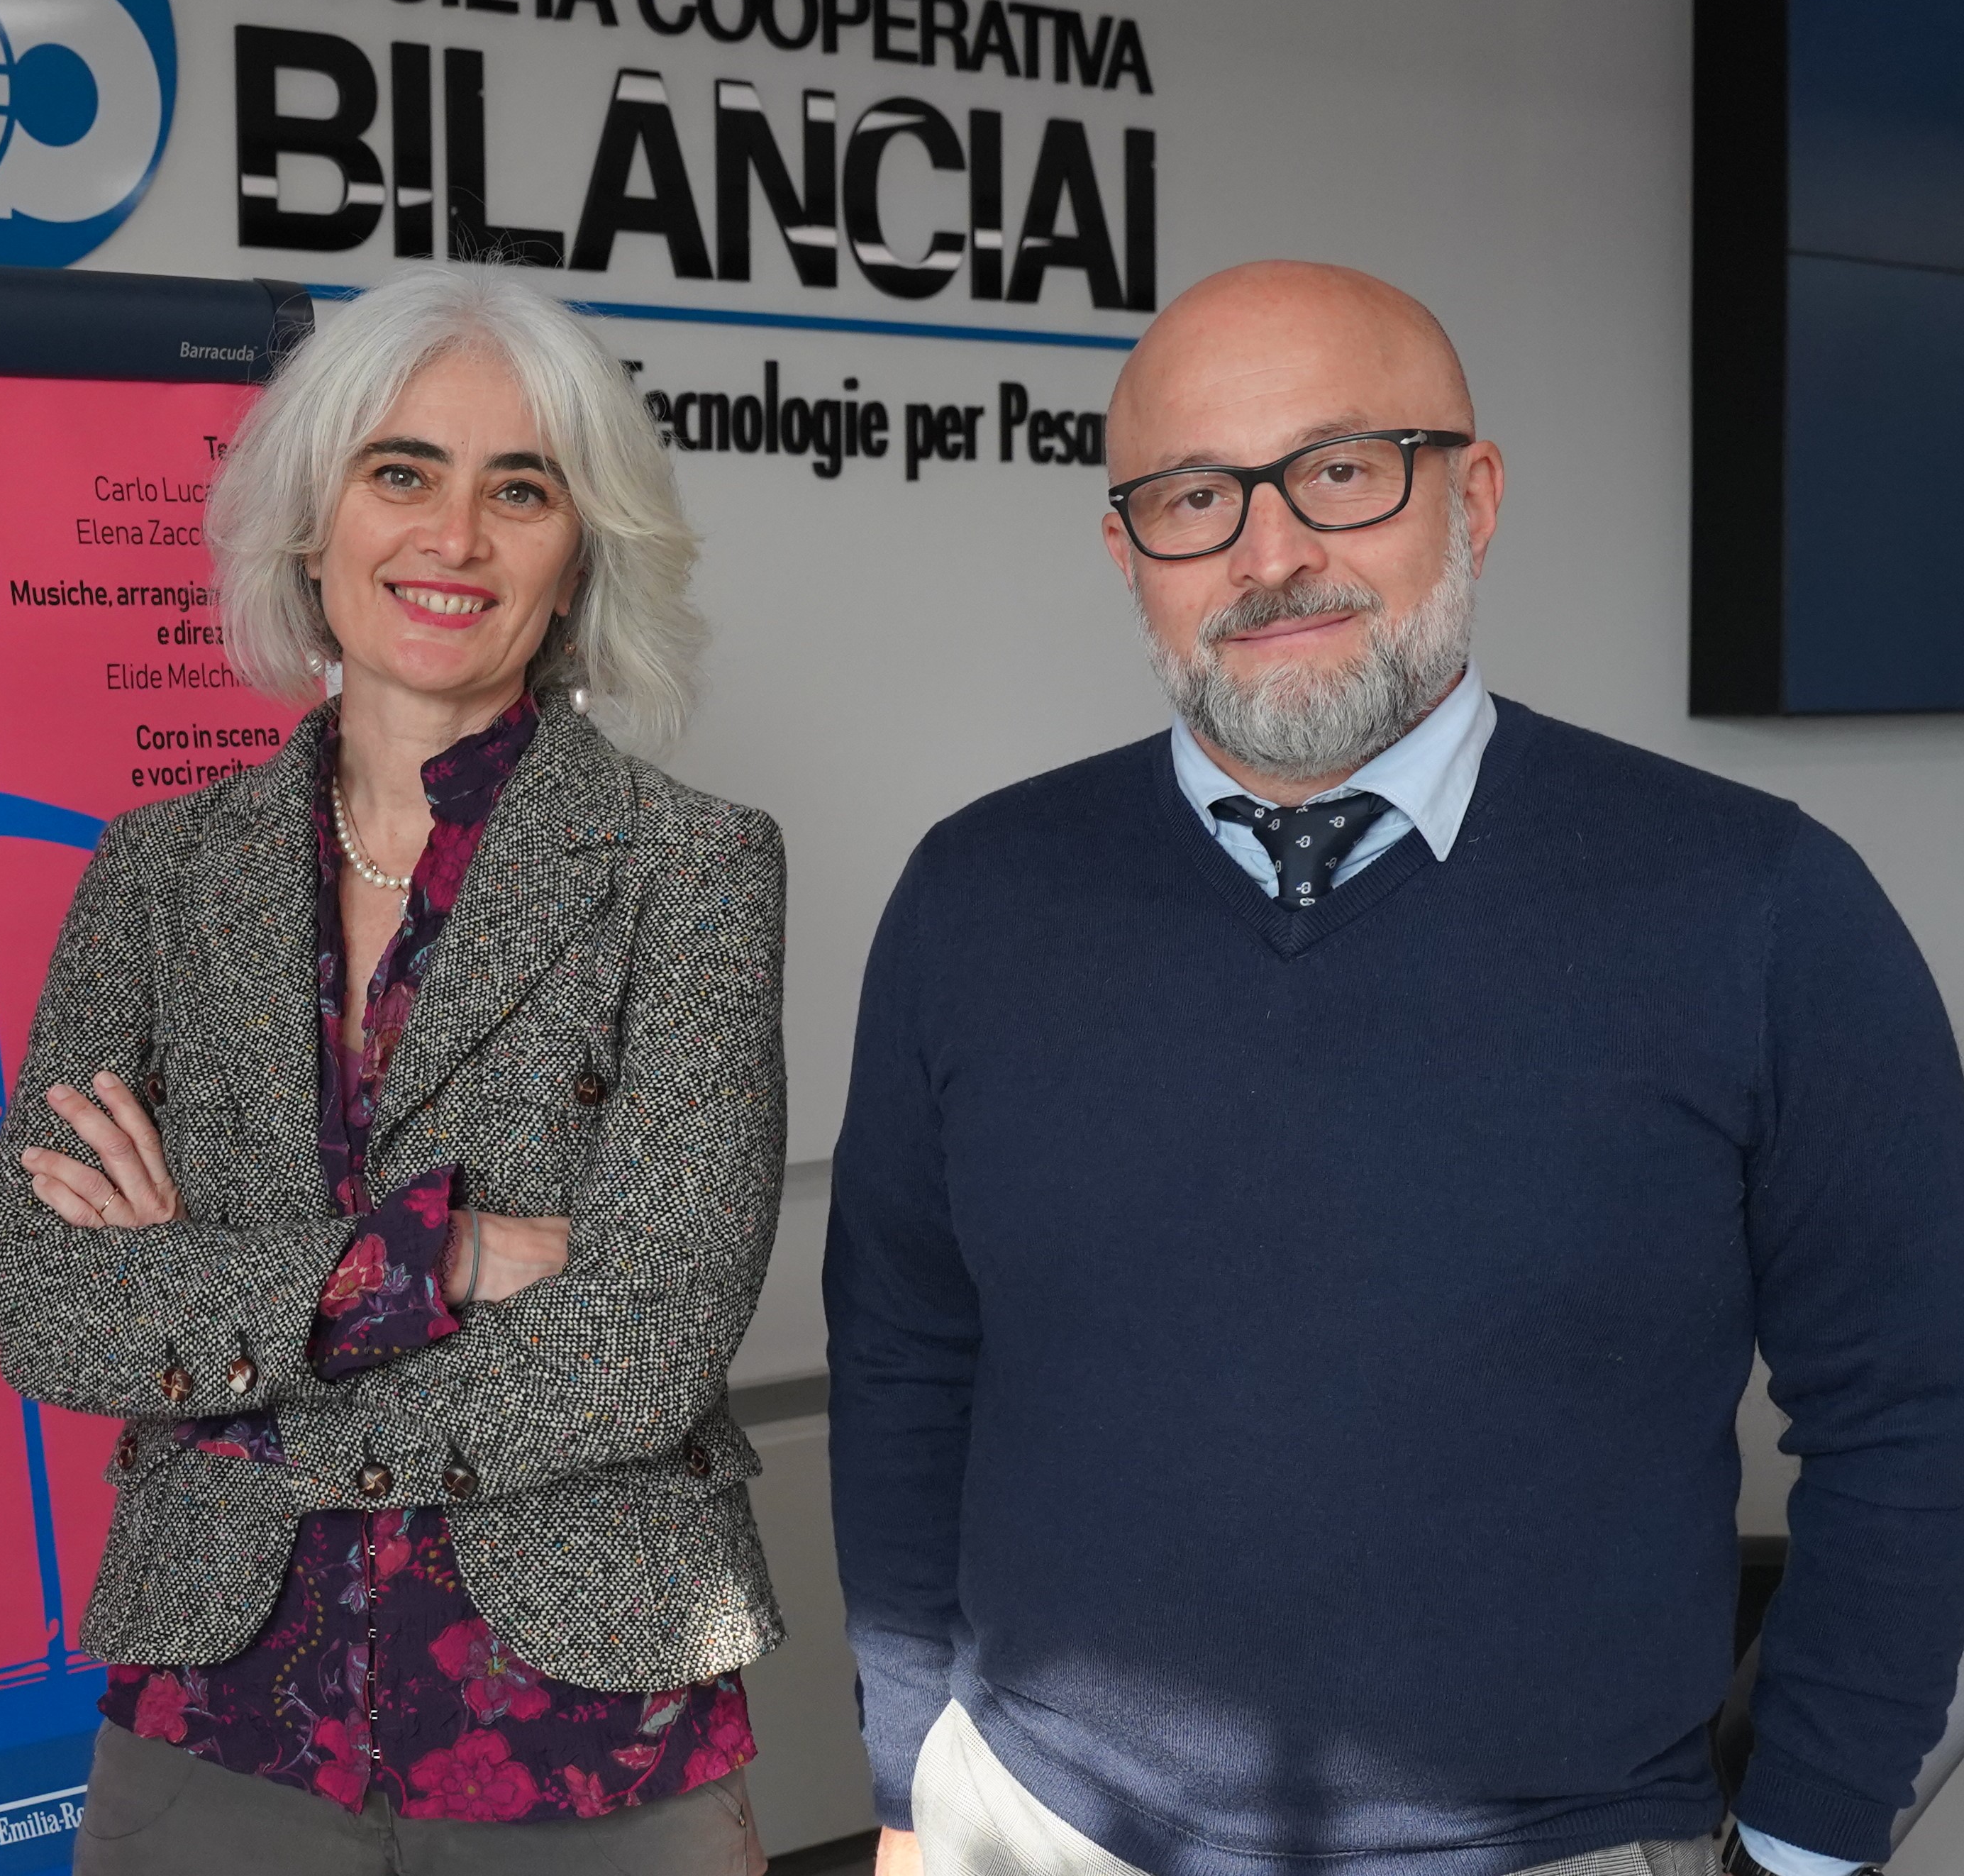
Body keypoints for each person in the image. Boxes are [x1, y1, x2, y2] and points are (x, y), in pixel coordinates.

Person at [826, 261, 1964, 1876]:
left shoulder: (1762, 907)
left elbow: (1918, 1410)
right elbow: (904, 1360)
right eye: (1195, 497)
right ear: (1127, 552)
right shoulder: (977, 897)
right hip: (1031, 1827)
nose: (1270, 553)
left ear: (1472, 497)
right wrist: (906, 1781)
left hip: (1555, 1848)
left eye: (1342, 471)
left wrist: (1809, 1843)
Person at [0, 264, 789, 1874]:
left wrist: (225, 1351)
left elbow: (654, 1336)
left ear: (580, 553)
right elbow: (45, 1295)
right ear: (310, 522)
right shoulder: (157, 875)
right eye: (402, 472)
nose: (454, 537)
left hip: (585, 1722)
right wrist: (446, 1257)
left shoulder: (693, 869)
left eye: (520, 490)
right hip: (220, 1701)